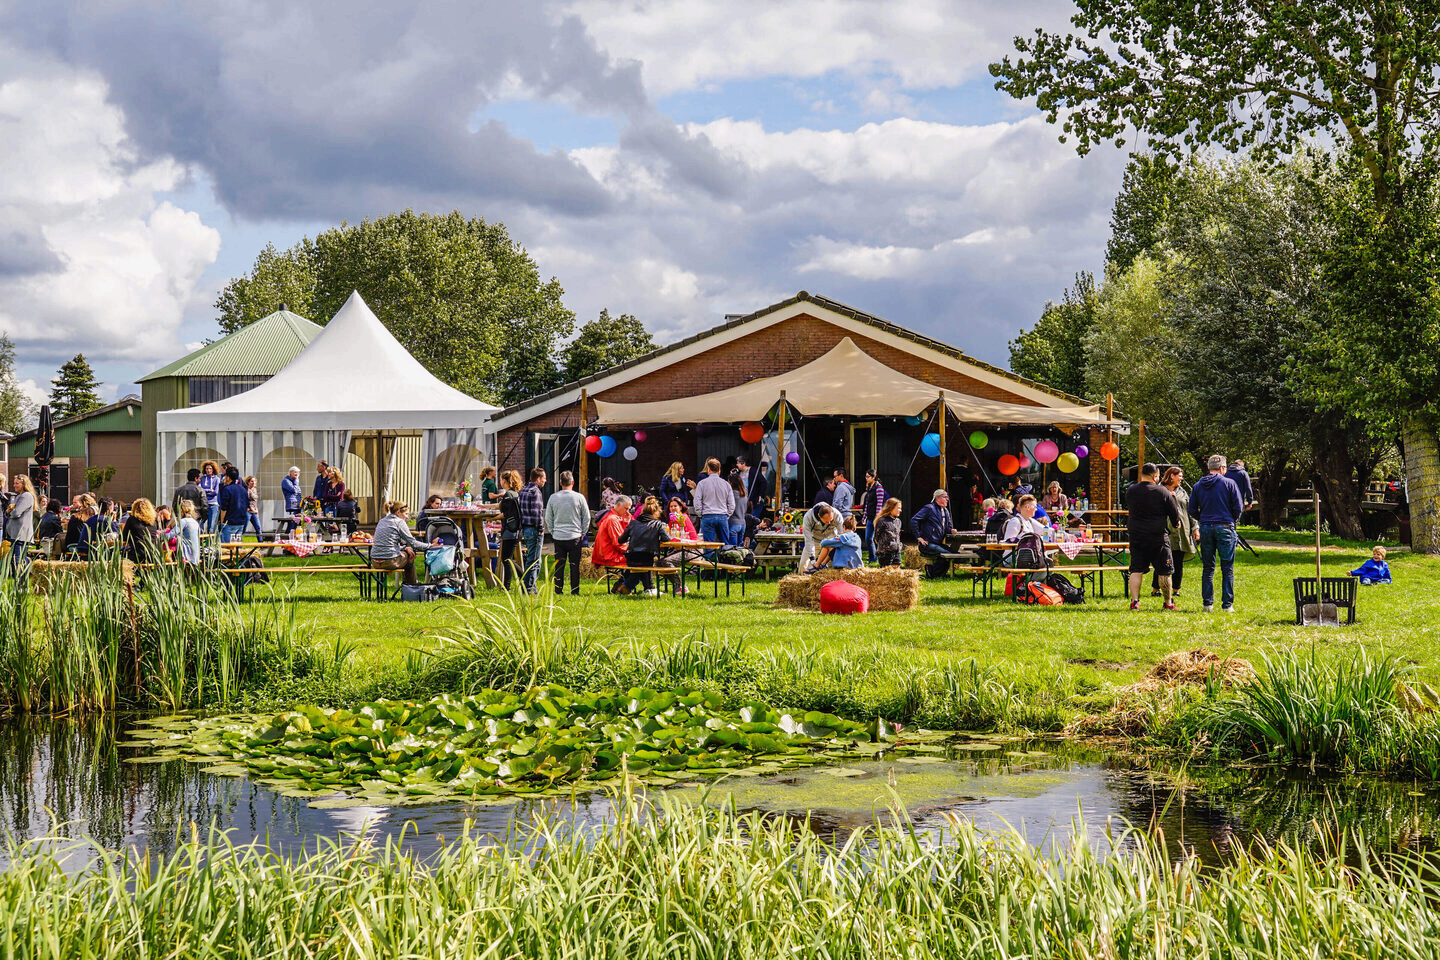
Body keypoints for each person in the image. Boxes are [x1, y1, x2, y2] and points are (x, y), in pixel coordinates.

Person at [1188, 454, 1244, 613]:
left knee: (1208, 567)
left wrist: (1203, 519)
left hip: (1206, 527)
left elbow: (1192, 509)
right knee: (1227, 567)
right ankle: (1227, 605)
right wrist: (1233, 520)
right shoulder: (1229, 483)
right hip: (1225, 526)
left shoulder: (1198, 485)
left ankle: (1207, 603)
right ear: (1222, 468)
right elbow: (1238, 507)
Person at [1126, 463, 1182, 611]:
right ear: (1155, 475)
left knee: (1136, 569)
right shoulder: (1162, 492)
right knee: (1164, 570)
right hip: (1157, 536)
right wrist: (1177, 523)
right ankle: (1168, 603)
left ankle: (1135, 602)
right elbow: (1174, 513)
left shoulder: (1131, 491)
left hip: (1136, 535)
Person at [370, 500, 439, 587]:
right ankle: (412, 586)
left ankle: (408, 585)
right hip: (390, 561)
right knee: (410, 557)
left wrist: (404, 548)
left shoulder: (382, 521)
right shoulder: (399, 522)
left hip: (375, 562)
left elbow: (388, 543)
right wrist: (431, 545)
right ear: (398, 512)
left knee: (407, 552)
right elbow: (413, 543)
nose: (407, 517)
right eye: (406, 514)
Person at [543, 470, 591, 596]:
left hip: (559, 536)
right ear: (573, 482)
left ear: (560, 483)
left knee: (559, 565)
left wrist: (553, 532)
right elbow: (587, 517)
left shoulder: (553, 497)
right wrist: (583, 532)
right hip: (575, 535)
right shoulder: (579, 497)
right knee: (574, 565)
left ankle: (558, 590)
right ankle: (575, 590)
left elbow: (548, 517)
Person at [1154, 467, 1197, 598]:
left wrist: (1195, 527)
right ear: (1171, 476)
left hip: (1182, 532)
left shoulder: (1182, 492)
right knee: (1163, 562)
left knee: (1178, 562)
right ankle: (1156, 589)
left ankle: (1176, 590)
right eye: (1180, 475)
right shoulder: (1159, 490)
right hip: (1165, 531)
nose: (1182, 478)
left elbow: (1190, 511)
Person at [619, 499, 670, 596]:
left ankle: (645, 587)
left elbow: (620, 540)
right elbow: (667, 539)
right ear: (655, 512)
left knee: (638, 570)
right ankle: (644, 588)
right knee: (644, 566)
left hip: (631, 556)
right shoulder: (658, 524)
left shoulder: (633, 523)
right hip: (647, 557)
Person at [910, 489, 959, 578]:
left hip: (938, 544)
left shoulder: (946, 511)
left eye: (947, 497)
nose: (947, 499)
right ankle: (932, 573)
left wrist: (951, 530)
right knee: (947, 555)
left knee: (954, 553)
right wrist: (918, 537)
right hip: (927, 544)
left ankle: (935, 572)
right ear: (937, 498)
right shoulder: (929, 508)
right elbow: (914, 520)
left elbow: (947, 528)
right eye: (945, 497)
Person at [693, 457, 735, 555]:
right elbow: (732, 504)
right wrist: (727, 515)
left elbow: (697, 502)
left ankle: (710, 567)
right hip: (722, 516)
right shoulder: (726, 484)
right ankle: (725, 565)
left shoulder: (702, 484)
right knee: (725, 545)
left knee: (708, 545)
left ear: (708, 469)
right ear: (719, 470)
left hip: (707, 515)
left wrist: (701, 514)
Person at [518, 468, 547, 594]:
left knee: (535, 559)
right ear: (538, 479)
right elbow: (537, 512)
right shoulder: (535, 491)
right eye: (544, 478)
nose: (545, 481)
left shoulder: (523, 490)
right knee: (533, 561)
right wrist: (541, 528)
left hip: (526, 528)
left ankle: (532, 588)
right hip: (535, 529)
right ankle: (528, 589)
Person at [496, 470, 524, 589]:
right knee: (508, 558)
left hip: (510, 530)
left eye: (501, 479)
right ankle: (507, 586)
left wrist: (490, 518)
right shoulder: (515, 493)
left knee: (507, 559)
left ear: (504, 481)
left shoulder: (508, 495)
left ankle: (522, 579)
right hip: (516, 530)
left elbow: (504, 513)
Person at [592, 495, 631, 569]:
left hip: (606, 554)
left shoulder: (611, 516)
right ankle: (627, 580)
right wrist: (631, 550)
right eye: (626, 509)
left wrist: (625, 523)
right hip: (609, 556)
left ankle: (625, 580)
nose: (627, 512)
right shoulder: (612, 519)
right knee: (639, 561)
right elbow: (618, 543)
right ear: (619, 505)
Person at [4, 474, 34, 569]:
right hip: (15, 534)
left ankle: (22, 581)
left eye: (17, 483)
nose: (14, 485)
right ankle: (22, 581)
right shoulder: (19, 496)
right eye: (14, 483)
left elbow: (16, 512)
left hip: (21, 535)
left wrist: (10, 512)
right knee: (17, 560)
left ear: (24, 484)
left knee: (18, 561)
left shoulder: (26, 496)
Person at [798, 503, 837, 571]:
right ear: (819, 516)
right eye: (827, 521)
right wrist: (812, 558)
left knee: (834, 564)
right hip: (814, 540)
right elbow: (808, 539)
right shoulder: (808, 518)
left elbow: (841, 532)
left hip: (831, 540)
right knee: (803, 564)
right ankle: (803, 579)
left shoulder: (837, 514)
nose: (829, 523)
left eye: (831, 520)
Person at [859, 468, 887, 562]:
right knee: (868, 539)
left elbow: (879, 504)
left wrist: (877, 518)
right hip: (869, 518)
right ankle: (873, 558)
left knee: (878, 539)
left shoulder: (879, 488)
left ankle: (881, 558)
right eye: (866, 476)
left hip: (876, 518)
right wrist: (864, 517)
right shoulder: (869, 488)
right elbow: (867, 504)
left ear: (874, 477)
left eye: (868, 477)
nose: (866, 478)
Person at [122, 498, 161, 563]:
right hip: (153, 556)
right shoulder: (153, 522)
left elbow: (124, 537)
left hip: (138, 556)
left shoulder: (132, 520)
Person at [219, 466, 249, 543]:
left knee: (228, 548)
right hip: (241, 521)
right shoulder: (243, 489)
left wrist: (222, 522)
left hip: (229, 522)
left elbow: (224, 508)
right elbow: (247, 507)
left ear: (228, 477)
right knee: (238, 548)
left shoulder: (227, 489)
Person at [873, 497, 903, 567]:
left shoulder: (898, 521)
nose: (900, 510)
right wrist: (886, 545)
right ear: (891, 507)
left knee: (897, 573)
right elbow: (876, 537)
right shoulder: (882, 521)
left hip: (897, 551)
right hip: (885, 553)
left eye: (900, 508)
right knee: (886, 573)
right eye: (898, 508)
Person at [175, 500, 202, 566]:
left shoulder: (183, 521)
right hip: (195, 556)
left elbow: (172, 534)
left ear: (181, 510)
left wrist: (161, 535)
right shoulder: (195, 522)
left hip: (185, 554)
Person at [198, 460, 221, 534]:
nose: (208, 470)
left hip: (213, 504)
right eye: (207, 468)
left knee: (211, 526)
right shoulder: (202, 478)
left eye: (210, 469)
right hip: (203, 503)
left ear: (213, 469)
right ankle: (200, 543)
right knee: (200, 524)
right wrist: (209, 490)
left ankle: (210, 543)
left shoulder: (216, 479)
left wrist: (205, 492)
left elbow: (215, 492)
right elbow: (199, 490)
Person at [726, 469, 748, 546]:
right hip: (742, 523)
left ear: (731, 483)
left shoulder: (731, 494)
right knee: (739, 550)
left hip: (733, 523)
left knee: (732, 550)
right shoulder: (744, 495)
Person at [242, 476, 264, 541]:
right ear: (248, 482)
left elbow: (255, 501)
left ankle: (261, 543)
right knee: (244, 528)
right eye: (251, 481)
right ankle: (238, 543)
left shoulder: (254, 489)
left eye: (254, 481)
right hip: (248, 511)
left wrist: (256, 509)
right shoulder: (246, 489)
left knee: (258, 527)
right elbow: (246, 500)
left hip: (254, 511)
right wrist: (251, 508)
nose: (253, 482)